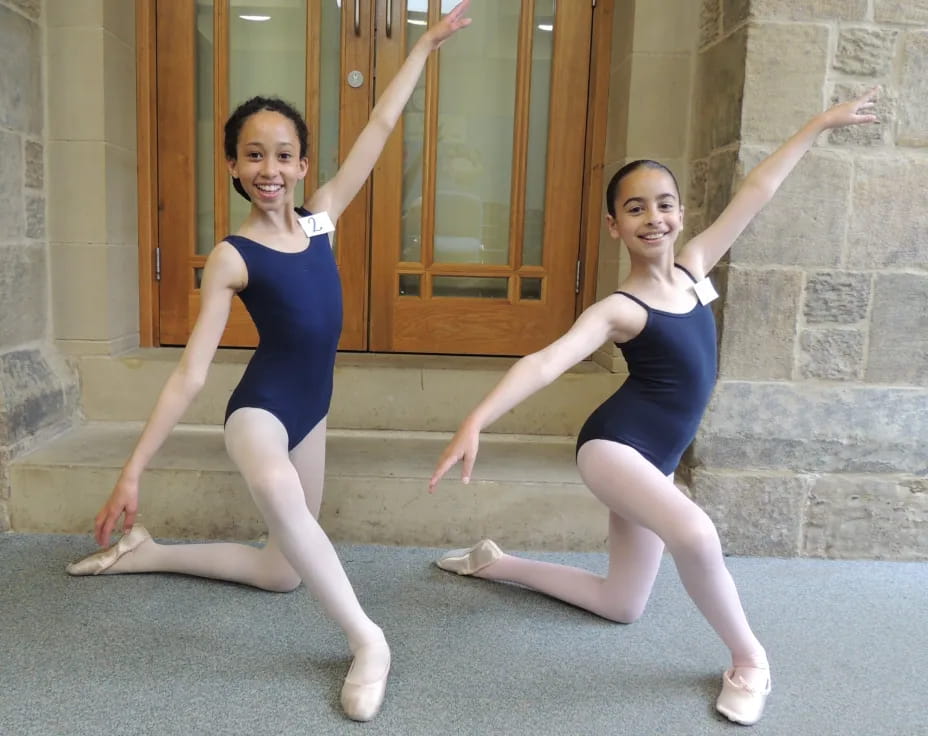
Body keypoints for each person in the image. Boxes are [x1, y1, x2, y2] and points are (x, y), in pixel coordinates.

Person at [65, 1, 471, 722]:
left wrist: (425, 46)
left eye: (283, 154)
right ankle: (368, 639)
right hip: (259, 413)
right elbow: (191, 371)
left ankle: (146, 553)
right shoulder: (231, 255)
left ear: (303, 164)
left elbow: (379, 127)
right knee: (283, 503)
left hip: (311, 410)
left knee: (282, 570)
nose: (270, 168)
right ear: (232, 166)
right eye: (254, 155)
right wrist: (132, 469)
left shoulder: (320, 221)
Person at [429, 88, 879, 726]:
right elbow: (546, 362)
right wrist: (475, 420)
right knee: (696, 533)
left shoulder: (696, 270)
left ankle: (497, 563)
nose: (653, 218)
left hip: (657, 457)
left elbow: (756, 190)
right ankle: (750, 660)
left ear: (681, 213)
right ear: (614, 226)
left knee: (622, 603)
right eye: (634, 209)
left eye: (663, 204)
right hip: (614, 449)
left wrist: (819, 123)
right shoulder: (620, 308)